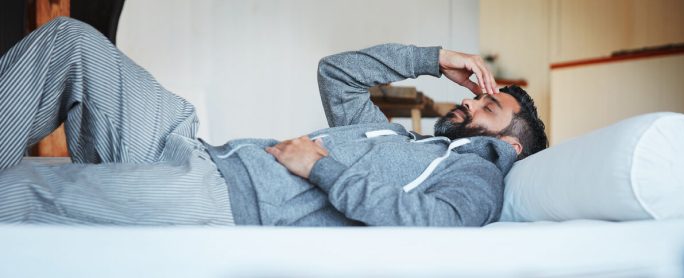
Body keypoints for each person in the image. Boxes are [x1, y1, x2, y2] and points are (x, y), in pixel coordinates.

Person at [0, 17, 547, 226]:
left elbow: (437, 223)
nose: (470, 104)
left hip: (215, 198)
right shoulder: (401, 140)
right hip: (193, 149)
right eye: (478, 98)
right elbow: (338, 73)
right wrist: (433, 59)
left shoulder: (478, 175)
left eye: (488, 109)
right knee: (69, 43)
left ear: (512, 146)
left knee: (24, 187)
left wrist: (320, 169)